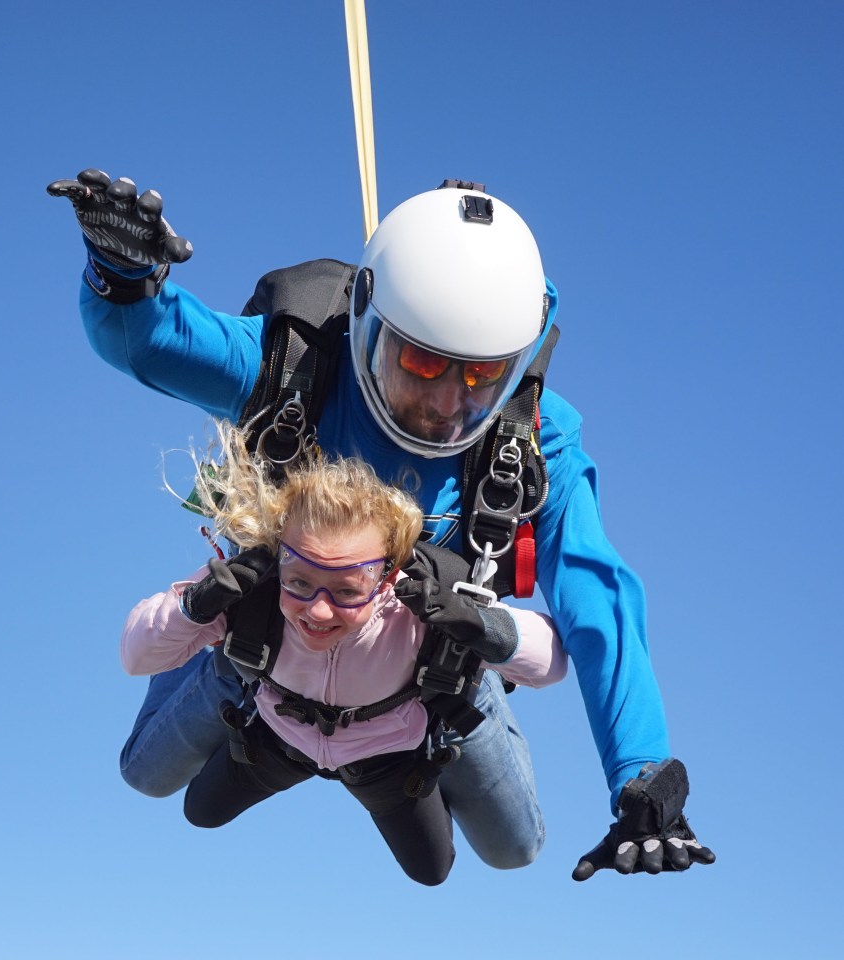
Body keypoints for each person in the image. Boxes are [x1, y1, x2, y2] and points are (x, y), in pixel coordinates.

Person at [48, 169, 715, 879]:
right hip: (274, 647)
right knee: (146, 774)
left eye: (478, 376)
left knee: (513, 849)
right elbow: (154, 343)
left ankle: (391, 745)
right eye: (422, 363)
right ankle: (266, 714)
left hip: (427, 680)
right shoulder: (296, 366)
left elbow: (597, 597)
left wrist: (640, 772)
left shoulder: (532, 443)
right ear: (368, 317)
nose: (442, 403)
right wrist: (121, 274)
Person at [122, 423, 566, 885]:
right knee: (174, 795)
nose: (317, 609)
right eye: (300, 582)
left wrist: (478, 627)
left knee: (478, 859)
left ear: (385, 577)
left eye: (346, 591)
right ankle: (221, 660)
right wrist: (195, 609)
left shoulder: (422, 601)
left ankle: (475, 677)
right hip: (279, 738)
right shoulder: (252, 588)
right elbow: (135, 658)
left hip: (385, 755)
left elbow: (552, 663)